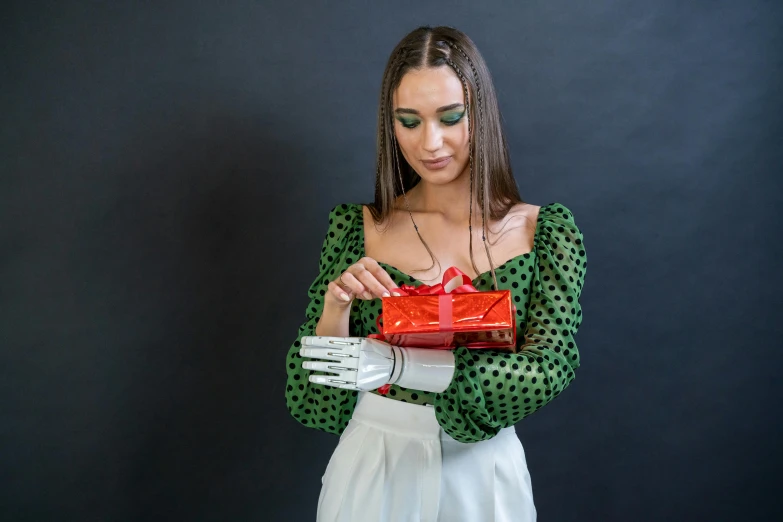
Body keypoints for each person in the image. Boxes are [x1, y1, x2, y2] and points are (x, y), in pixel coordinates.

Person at [284, 25, 587, 522]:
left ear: (480, 113)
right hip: (373, 468)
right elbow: (315, 401)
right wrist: (335, 308)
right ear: (391, 124)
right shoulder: (356, 229)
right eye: (409, 121)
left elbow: (547, 370)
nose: (431, 142)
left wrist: (397, 368)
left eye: (451, 117)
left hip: (484, 476)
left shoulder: (545, 233)